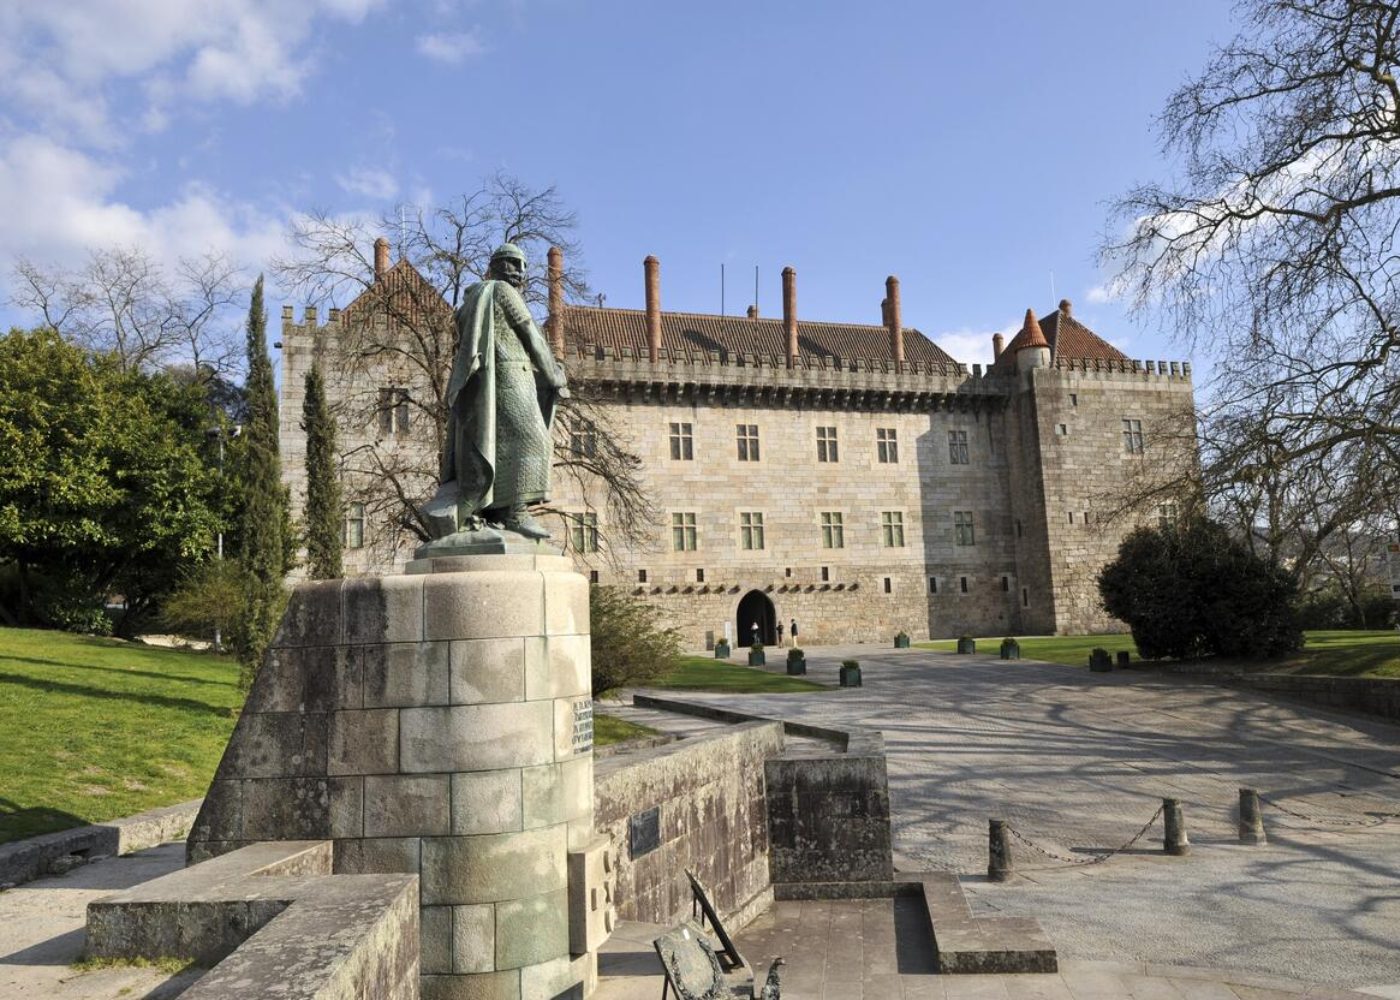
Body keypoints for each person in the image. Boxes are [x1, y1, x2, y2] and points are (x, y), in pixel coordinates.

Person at [429, 243, 568, 540]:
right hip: (510, 376)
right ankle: (516, 512)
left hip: (497, 380)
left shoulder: (475, 298)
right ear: (496, 265)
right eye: (513, 263)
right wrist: (553, 374)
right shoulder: (503, 292)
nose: (520, 271)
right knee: (532, 440)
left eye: (524, 266)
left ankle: (495, 510)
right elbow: (530, 333)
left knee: (499, 443)